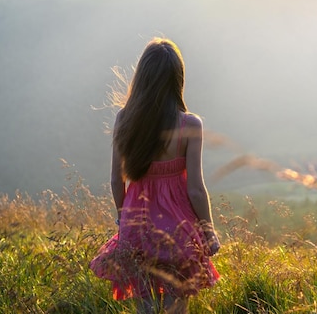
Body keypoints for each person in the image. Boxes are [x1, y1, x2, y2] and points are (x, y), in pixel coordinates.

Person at [90, 38, 220, 314]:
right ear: (177, 80)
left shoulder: (124, 120)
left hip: (137, 227)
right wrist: (209, 233)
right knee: (177, 306)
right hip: (179, 230)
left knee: (145, 306)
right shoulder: (189, 125)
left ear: (141, 79)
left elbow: (116, 180)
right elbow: (196, 189)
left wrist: (123, 217)